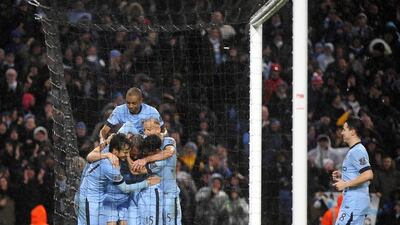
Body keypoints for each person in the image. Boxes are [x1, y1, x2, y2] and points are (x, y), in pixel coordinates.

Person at [77, 133, 160, 225]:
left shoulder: (106, 150)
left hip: (98, 200)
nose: (127, 155)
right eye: (125, 152)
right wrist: (147, 183)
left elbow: (89, 156)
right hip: (89, 200)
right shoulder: (111, 167)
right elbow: (125, 188)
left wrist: (106, 148)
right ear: (116, 151)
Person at [135, 118, 182, 225]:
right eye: (144, 130)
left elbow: (169, 153)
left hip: (169, 193)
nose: (146, 132)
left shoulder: (168, 141)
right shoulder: (146, 144)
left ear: (158, 129)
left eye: (149, 129)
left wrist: (145, 159)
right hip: (153, 194)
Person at [332, 117, 374, 225]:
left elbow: (368, 174)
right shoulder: (356, 150)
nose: (341, 132)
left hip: (354, 202)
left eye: (344, 129)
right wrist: (343, 176)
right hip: (355, 201)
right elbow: (360, 173)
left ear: (352, 132)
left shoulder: (357, 151)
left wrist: (345, 184)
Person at [99, 87, 164, 143]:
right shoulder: (119, 110)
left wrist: (159, 137)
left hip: (148, 142)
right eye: (128, 103)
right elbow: (104, 130)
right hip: (126, 142)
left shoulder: (152, 111)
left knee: (169, 140)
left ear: (141, 100)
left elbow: (164, 131)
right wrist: (102, 141)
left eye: (134, 103)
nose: (130, 106)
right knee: (127, 126)